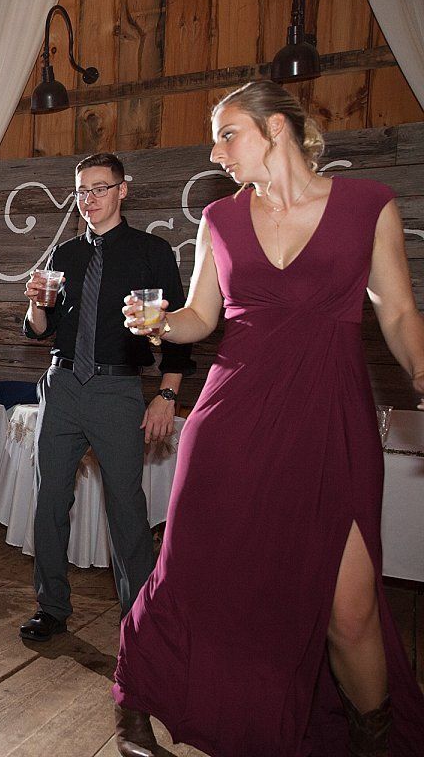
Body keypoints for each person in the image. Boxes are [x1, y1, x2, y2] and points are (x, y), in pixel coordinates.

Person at [112, 80, 424, 757]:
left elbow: (399, 312)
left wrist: (423, 372)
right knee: (190, 575)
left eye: (228, 135)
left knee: (351, 610)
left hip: (330, 423)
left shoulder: (368, 205)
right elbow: (201, 318)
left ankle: (375, 743)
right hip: (230, 424)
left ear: (276, 127)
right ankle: (137, 697)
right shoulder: (219, 219)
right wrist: (160, 323)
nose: (216, 152)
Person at [19, 152, 195, 643]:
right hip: (62, 385)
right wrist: (35, 305)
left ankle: (139, 620)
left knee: (126, 507)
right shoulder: (64, 255)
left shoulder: (152, 252)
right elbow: (41, 330)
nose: (89, 199)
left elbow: (178, 334)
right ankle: (51, 607)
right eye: (82, 191)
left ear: (123, 190)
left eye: (100, 188)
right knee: (49, 500)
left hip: (118, 390)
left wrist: (167, 394)